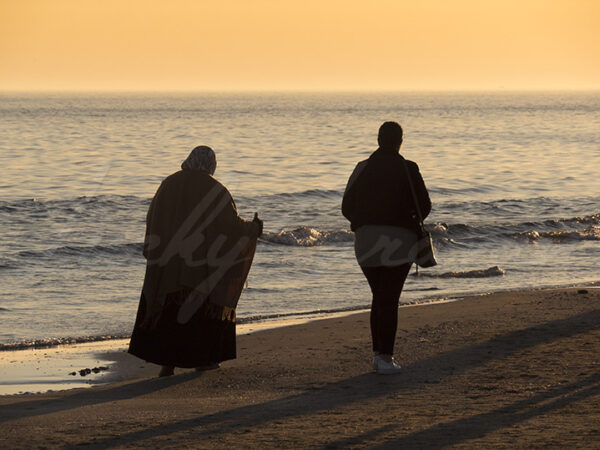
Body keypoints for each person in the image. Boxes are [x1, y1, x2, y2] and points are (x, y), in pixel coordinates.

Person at [128, 145, 263, 377]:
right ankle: (202, 361)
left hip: (167, 265)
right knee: (198, 313)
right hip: (199, 267)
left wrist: (153, 252)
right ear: (211, 164)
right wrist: (253, 229)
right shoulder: (215, 189)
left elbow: (153, 218)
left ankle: (167, 365)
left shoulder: (168, 184)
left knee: (168, 312)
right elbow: (230, 225)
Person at [342, 122, 431, 375]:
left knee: (379, 295)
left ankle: (378, 355)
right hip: (399, 241)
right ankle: (385, 357)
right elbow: (424, 206)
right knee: (389, 297)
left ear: (378, 139)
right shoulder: (408, 168)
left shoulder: (363, 167)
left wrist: (363, 222)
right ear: (400, 141)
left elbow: (346, 207)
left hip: (366, 241)